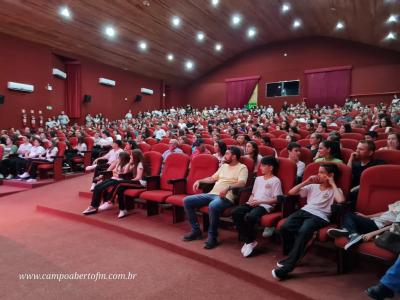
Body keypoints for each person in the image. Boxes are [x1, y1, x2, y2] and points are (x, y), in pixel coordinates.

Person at [272, 164, 345, 280]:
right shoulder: (313, 186)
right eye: (318, 172)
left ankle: (288, 267)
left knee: (303, 231)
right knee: (285, 226)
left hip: (320, 216)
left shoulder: (336, 190)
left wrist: (333, 183)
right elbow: (291, 192)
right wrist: (306, 181)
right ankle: (294, 254)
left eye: (322, 172)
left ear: (330, 175)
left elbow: (341, 200)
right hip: (304, 211)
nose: (318, 174)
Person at [182, 146, 248, 249]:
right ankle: (196, 231)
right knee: (187, 200)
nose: (224, 156)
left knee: (213, 206)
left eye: (227, 154)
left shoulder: (242, 167)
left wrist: (228, 188)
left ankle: (213, 236)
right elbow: (212, 178)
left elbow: (242, 183)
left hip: (226, 196)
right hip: (211, 194)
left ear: (234, 156)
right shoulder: (223, 166)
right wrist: (200, 181)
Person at [232, 156, 282, 257]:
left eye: (263, 166)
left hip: (265, 205)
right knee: (235, 212)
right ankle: (250, 241)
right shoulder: (258, 179)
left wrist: (260, 202)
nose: (260, 168)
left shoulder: (275, 180)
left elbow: (277, 199)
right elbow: (253, 193)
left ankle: (249, 241)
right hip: (254, 202)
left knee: (251, 216)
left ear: (271, 167)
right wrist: (250, 199)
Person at [327, 200, 399, 250]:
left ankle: (352, 233)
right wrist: (366, 216)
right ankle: (349, 232)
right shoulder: (398, 203)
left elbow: (396, 226)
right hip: (373, 221)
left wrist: (373, 233)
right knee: (347, 214)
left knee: (348, 215)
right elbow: (384, 213)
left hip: (379, 228)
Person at [82, 151, 134, 215]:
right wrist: (117, 174)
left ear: (123, 158)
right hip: (113, 178)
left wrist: (118, 174)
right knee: (97, 187)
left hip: (119, 181)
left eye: (119, 157)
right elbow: (114, 172)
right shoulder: (119, 163)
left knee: (102, 188)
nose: (118, 158)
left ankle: (95, 206)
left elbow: (124, 174)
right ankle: (93, 206)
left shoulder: (128, 165)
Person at [347, 140, 385, 207]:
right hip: (352, 193)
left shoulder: (379, 164)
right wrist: (350, 159)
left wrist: (356, 188)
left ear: (370, 153)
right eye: (357, 148)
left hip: (367, 193)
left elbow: (375, 181)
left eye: (361, 149)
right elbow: (347, 175)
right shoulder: (355, 162)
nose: (357, 151)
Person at [114, 149, 147, 218]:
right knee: (120, 188)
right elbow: (126, 172)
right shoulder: (135, 163)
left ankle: (110, 201)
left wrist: (129, 180)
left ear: (135, 156)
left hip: (141, 183)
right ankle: (122, 209)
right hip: (136, 181)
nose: (130, 156)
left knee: (119, 183)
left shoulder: (140, 164)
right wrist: (129, 163)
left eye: (131, 155)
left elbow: (138, 177)